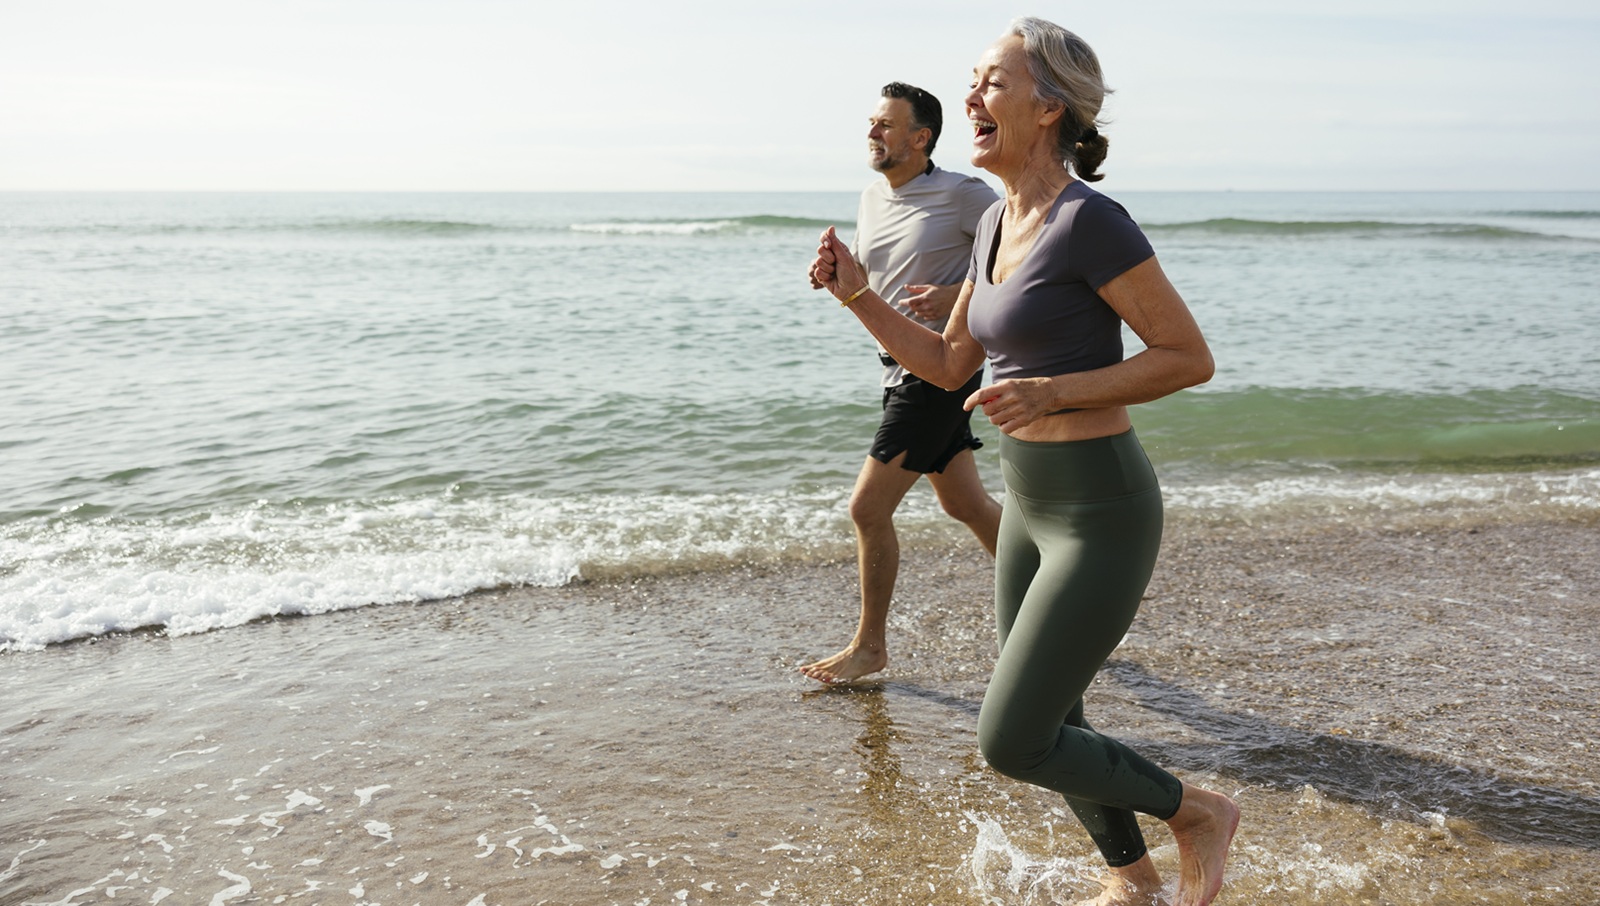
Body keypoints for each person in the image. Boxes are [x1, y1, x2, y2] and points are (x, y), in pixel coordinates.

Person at [808, 18, 1239, 906]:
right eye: (971, 81)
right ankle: (1135, 884)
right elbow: (947, 363)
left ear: (1048, 108)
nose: (970, 97)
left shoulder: (1091, 222)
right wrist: (857, 295)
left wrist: (1055, 391)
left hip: (1100, 512)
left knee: (1012, 739)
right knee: (1058, 718)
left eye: (989, 83)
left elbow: (1186, 356)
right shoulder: (996, 220)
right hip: (1030, 505)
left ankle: (1194, 811)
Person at [799, 82, 1003, 686]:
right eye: (872, 123)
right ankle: (1053, 596)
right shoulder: (871, 197)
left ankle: (870, 646)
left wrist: (962, 292)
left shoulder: (966, 196)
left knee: (866, 508)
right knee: (963, 502)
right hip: (895, 367)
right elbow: (870, 280)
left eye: (886, 125)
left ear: (921, 138)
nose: (873, 133)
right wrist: (833, 273)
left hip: (940, 370)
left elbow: (1021, 253)